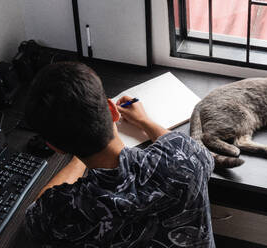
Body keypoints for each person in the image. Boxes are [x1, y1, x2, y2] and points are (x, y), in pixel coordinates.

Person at [24, 62, 215, 247]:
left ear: (56, 148)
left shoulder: (61, 210)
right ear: (113, 111)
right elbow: (193, 152)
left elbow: (36, 215)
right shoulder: (186, 156)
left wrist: (78, 156)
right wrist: (144, 121)